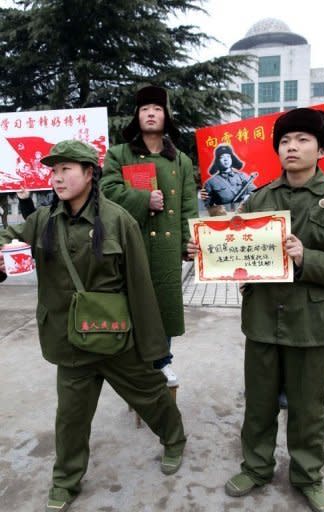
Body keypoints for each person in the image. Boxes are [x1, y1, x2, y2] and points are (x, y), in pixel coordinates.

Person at [0, 140, 186, 512]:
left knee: (150, 395)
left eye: (67, 169)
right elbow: (10, 237)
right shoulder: (43, 220)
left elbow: (140, 286)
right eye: (54, 170)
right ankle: (66, 480)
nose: (57, 177)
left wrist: (152, 349)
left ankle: (175, 439)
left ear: (90, 174)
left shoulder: (118, 220)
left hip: (116, 336)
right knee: (70, 417)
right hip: (69, 341)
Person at [224, 108, 324, 512]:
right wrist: (209, 250)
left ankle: (307, 476)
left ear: (322, 149)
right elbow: (239, 250)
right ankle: (256, 467)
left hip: (312, 321)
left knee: (308, 408)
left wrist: (308, 256)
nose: (292, 147)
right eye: (285, 141)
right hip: (262, 317)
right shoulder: (261, 197)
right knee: (258, 403)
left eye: (302, 140)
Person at [100, 85, 198, 386]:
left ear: (166, 116)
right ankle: (134, 364)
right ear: (137, 116)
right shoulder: (119, 154)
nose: (151, 113)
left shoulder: (179, 160)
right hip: (132, 242)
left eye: (157, 108)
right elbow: (106, 192)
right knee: (132, 305)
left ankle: (162, 361)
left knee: (164, 308)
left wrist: (188, 242)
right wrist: (144, 200)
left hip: (167, 248)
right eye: (145, 109)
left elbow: (187, 205)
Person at [203, 144, 258, 213]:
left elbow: (256, 193)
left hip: (246, 212)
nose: (226, 159)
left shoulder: (242, 176)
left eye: (228, 156)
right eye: (222, 157)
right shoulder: (210, 183)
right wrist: (217, 210)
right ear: (217, 161)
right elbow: (208, 206)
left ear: (232, 159)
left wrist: (248, 197)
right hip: (225, 216)